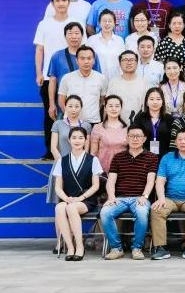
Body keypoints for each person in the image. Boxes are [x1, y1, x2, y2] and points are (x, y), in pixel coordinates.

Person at [100, 125, 159, 260]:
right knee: (105, 212)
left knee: (142, 213)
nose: (135, 139)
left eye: (138, 136)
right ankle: (116, 248)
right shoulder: (118, 157)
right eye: (132, 136)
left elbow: (151, 181)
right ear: (126, 138)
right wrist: (111, 197)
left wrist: (144, 196)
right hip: (120, 198)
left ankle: (137, 248)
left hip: (140, 197)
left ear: (144, 139)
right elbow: (111, 181)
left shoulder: (151, 157)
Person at [150, 129, 185, 260]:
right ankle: (161, 248)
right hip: (170, 198)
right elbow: (160, 181)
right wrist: (161, 199)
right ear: (175, 142)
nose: (183, 142)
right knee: (157, 209)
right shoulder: (167, 158)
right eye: (180, 139)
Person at [51, 126, 102, 261]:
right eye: (74, 138)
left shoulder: (93, 160)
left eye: (80, 138)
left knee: (71, 208)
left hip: (86, 199)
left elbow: (96, 185)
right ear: (69, 140)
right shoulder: (62, 160)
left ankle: (79, 246)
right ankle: (69, 247)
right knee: (59, 207)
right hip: (68, 198)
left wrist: (81, 197)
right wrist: (66, 198)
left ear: (85, 140)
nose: (77, 140)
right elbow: (58, 187)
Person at [57, 46, 108, 124]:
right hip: (71, 123)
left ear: (94, 60)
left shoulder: (101, 78)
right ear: (77, 61)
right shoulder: (67, 78)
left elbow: (102, 101)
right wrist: (70, 116)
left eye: (89, 58)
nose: (86, 61)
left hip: (93, 122)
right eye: (82, 58)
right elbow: (61, 101)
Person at [108, 50, 149, 123]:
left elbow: (147, 107)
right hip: (117, 124)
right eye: (125, 60)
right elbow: (107, 105)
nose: (128, 62)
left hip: (138, 125)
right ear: (120, 64)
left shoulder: (144, 83)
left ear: (137, 63)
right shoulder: (113, 82)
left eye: (132, 60)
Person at [90, 95, 129, 171]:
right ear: (105, 108)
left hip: (122, 168)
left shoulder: (127, 128)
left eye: (117, 106)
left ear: (121, 108)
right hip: (102, 169)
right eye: (110, 106)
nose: (114, 109)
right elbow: (93, 152)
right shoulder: (98, 127)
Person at [132, 88, 174, 157]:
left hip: (165, 157)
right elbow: (135, 138)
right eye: (151, 99)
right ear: (146, 102)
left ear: (162, 102)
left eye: (158, 99)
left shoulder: (169, 118)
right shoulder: (140, 118)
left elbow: (173, 141)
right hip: (143, 157)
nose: (155, 102)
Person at [86, 9, 125, 80]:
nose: (107, 23)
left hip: (116, 80)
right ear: (99, 23)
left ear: (114, 23)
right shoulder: (91, 40)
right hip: (97, 80)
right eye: (104, 21)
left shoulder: (120, 40)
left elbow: (123, 61)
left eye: (110, 21)